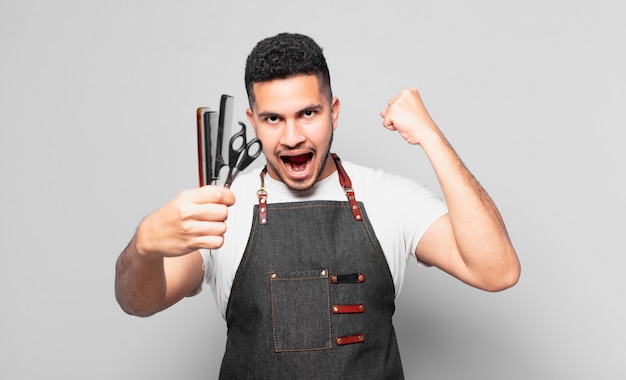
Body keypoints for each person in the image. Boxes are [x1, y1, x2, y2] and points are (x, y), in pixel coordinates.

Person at [115, 32, 520, 379]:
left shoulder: (389, 199)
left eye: (308, 113)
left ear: (334, 112)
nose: (292, 137)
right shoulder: (222, 206)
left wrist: (432, 137)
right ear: (252, 122)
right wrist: (144, 246)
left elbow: (497, 270)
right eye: (273, 119)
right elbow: (138, 302)